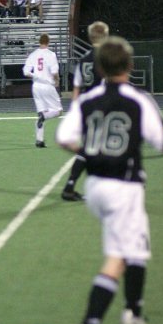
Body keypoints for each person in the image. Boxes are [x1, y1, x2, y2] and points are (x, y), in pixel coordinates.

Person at [56, 36, 163, 324]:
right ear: (130, 66)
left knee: (137, 249)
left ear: (100, 67)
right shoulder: (138, 99)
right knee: (119, 257)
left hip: (96, 187)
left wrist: (93, 152)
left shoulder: (87, 101)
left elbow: (64, 139)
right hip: (124, 188)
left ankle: (133, 313)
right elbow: (162, 141)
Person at [61, 21, 110, 201]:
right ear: (105, 35)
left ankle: (73, 186)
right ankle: (71, 187)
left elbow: (77, 89)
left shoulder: (83, 59)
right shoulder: (106, 57)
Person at [23, 33, 62, 147]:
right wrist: (57, 81)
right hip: (47, 85)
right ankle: (43, 118)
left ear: (39, 42)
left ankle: (39, 140)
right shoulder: (51, 54)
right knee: (58, 111)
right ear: (48, 42)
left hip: (36, 86)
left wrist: (36, 76)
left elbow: (26, 72)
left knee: (41, 111)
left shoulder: (33, 54)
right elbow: (54, 72)